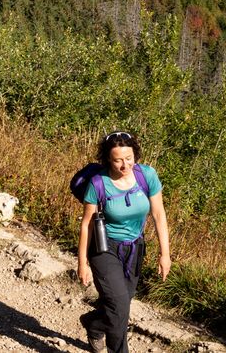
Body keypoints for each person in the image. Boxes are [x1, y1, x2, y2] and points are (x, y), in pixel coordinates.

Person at [77, 132, 171, 353]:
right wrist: (82, 262)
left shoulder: (146, 176)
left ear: (135, 154)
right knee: (119, 308)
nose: (124, 165)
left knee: (121, 304)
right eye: (117, 160)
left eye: (129, 158)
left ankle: (94, 324)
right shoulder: (99, 183)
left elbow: (159, 215)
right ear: (108, 159)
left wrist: (165, 254)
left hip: (134, 248)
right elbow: (86, 225)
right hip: (104, 248)